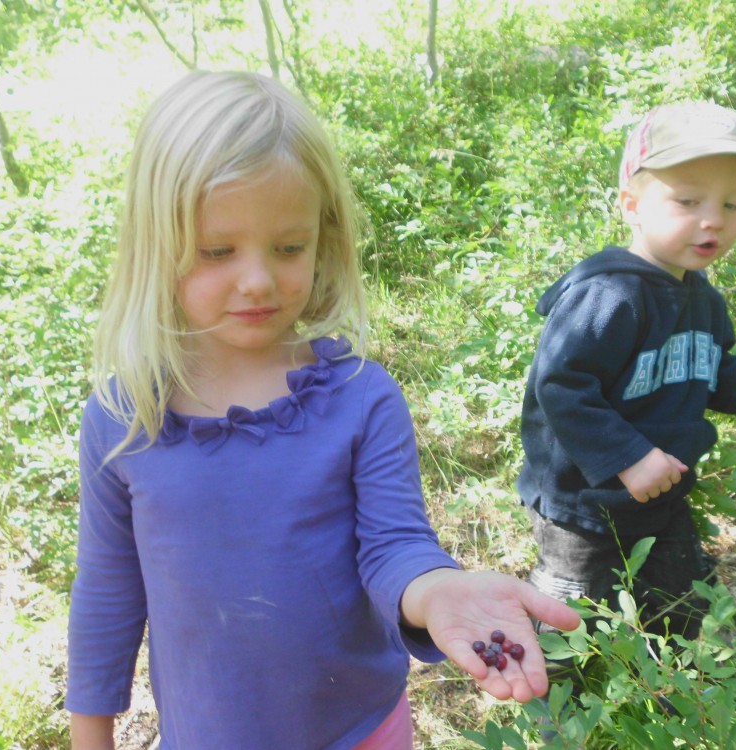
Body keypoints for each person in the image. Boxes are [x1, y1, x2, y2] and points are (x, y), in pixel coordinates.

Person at [66, 70, 580, 750]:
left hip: (361, 731)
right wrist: (90, 737)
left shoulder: (361, 400)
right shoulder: (123, 420)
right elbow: (107, 595)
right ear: (157, 245)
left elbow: (394, 546)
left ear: (323, 239)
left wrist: (441, 591)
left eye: (288, 247)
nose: (258, 279)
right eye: (218, 250)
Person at [518, 102, 736, 650]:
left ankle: (674, 680)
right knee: (570, 607)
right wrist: (627, 457)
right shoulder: (608, 294)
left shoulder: (704, 300)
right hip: (585, 500)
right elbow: (561, 385)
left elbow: (697, 366)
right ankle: (550, 694)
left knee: (680, 601)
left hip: (663, 492)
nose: (712, 218)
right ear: (632, 204)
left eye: (732, 202)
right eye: (688, 200)